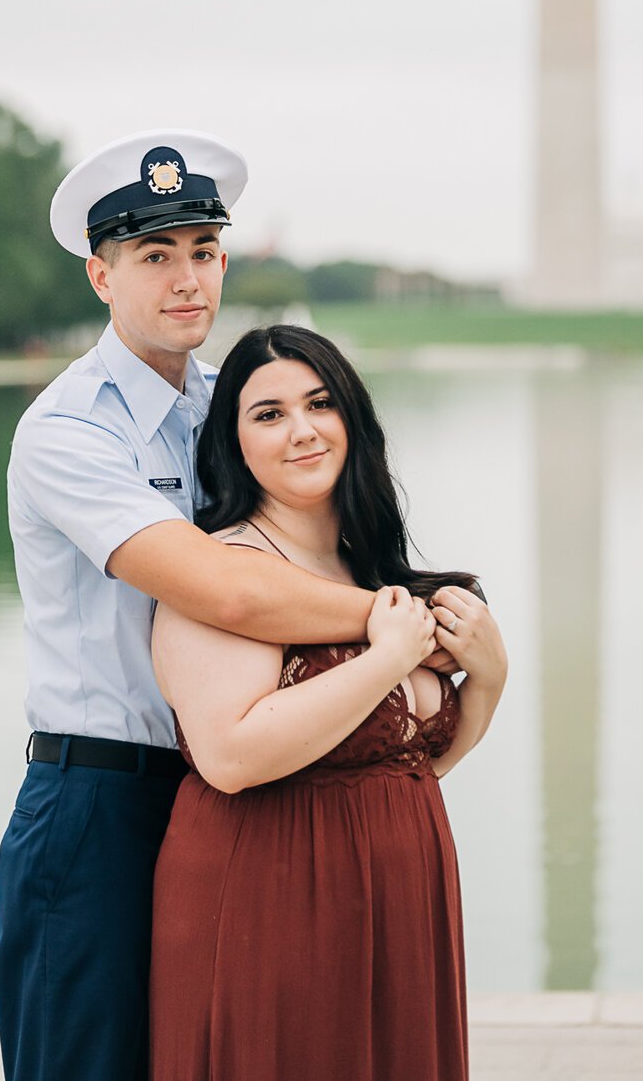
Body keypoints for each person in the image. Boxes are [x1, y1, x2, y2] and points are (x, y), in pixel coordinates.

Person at [0, 131, 438, 1081]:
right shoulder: (68, 431)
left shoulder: (227, 406)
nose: (186, 278)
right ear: (100, 276)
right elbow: (224, 587)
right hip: (100, 798)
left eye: (202, 251)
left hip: (232, 807)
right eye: (154, 256)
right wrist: (391, 625)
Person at [147, 325, 506, 1081]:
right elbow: (231, 755)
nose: (303, 430)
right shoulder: (222, 571)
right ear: (233, 441)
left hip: (401, 899)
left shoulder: (370, 571)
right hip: (272, 899)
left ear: (353, 417)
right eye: (268, 413)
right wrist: (387, 660)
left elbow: (420, 760)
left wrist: (491, 679)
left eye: (319, 403)